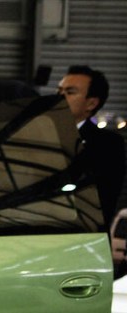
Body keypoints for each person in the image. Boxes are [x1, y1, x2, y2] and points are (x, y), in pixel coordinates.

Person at [57, 65, 125, 228]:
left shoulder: (108, 144)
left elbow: (104, 196)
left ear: (91, 103)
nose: (60, 96)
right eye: (59, 90)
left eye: (70, 92)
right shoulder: (40, 134)